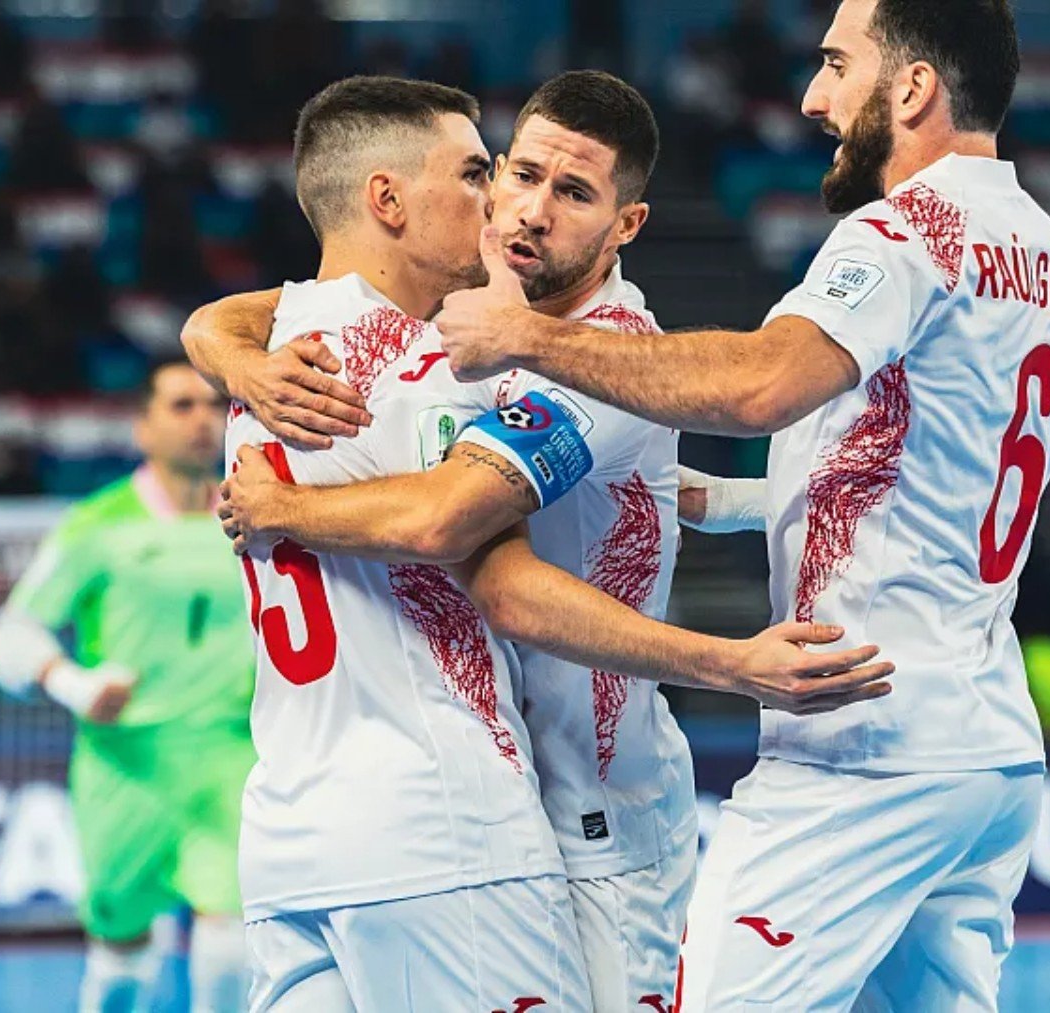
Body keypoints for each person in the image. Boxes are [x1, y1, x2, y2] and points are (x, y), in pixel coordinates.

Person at [417, 0, 1050, 1003]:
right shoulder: (1043, 249)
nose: (815, 99)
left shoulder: (908, 230)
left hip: (863, 739)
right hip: (984, 741)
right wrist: (716, 499)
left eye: (836, 65)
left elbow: (760, 386)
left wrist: (528, 337)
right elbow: (916, 465)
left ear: (912, 88)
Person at [221, 75, 893, 1012]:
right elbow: (275, 306)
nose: (526, 211)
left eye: (572, 194)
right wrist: (225, 343)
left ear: (627, 225)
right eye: (514, 173)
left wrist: (277, 501)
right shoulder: (446, 330)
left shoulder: (602, 356)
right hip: (471, 812)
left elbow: (456, 530)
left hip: (599, 824)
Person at [192, 70, 698, 1013]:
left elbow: (246, 313)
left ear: (625, 223)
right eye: (491, 174)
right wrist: (734, 665)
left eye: (571, 192)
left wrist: (218, 349)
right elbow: (458, 535)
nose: (506, 210)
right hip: (450, 825)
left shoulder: (283, 357)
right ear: (388, 199)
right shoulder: (438, 375)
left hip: (293, 836)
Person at [0, 358, 252, 1013]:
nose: (202, 420)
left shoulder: (257, 515)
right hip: (125, 770)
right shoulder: (98, 524)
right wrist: (73, 682)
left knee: (234, 942)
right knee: (121, 954)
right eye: (181, 406)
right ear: (142, 428)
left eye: (214, 405)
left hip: (232, 759)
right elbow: (10, 634)